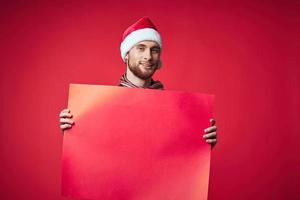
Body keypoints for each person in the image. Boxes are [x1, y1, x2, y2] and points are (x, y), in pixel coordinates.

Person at [59, 17, 217, 147]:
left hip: (160, 184)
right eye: (141, 48)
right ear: (126, 54)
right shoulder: (98, 107)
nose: (148, 56)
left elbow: (180, 154)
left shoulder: (176, 111)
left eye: (154, 50)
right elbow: (91, 152)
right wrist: (73, 130)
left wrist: (203, 143)